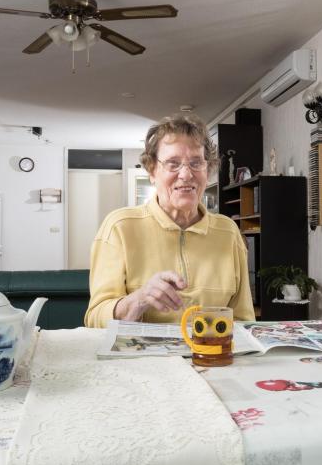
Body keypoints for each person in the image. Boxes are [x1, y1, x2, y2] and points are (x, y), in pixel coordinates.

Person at [84, 114, 255, 327]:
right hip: (143, 359)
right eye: (173, 164)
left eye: (196, 163)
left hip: (210, 356)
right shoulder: (119, 227)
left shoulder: (228, 232)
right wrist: (138, 299)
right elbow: (95, 319)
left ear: (207, 170)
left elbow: (243, 320)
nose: (186, 174)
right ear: (152, 171)